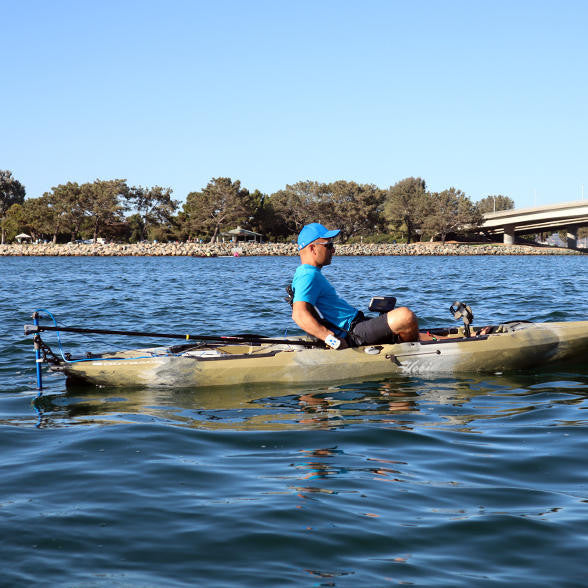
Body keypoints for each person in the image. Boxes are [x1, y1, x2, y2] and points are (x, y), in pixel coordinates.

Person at [291, 223, 419, 349]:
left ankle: (406, 344)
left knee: (416, 331)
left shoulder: (308, 273)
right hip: (353, 333)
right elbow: (299, 314)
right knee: (406, 317)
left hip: (357, 324)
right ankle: (409, 353)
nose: (333, 250)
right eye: (329, 245)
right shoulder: (307, 275)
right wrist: (330, 339)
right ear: (313, 248)